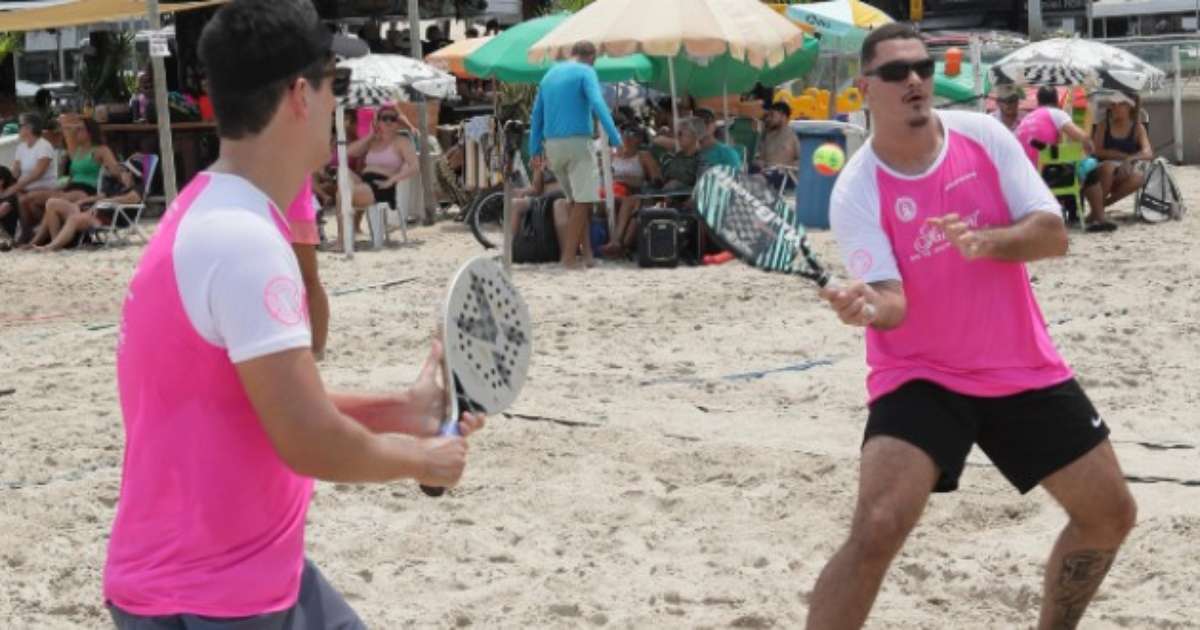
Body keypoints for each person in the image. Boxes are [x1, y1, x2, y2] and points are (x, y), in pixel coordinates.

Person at [103, 2, 484, 628]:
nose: (340, 105)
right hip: (215, 595)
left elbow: (268, 404)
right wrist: (422, 459)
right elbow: (309, 442)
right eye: (337, 86)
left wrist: (408, 411)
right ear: (300, 94)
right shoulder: (245, 243)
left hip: (217, 572)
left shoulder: (210, 211)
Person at [809, 24, 1136, 630]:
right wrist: (865, 307)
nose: (913, 81)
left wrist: (988, 242)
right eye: (895, 72)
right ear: (864, 90)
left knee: (1111, 514)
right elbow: (893, 304)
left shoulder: (983, 136)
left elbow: (1053, 234)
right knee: (878, 528)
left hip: (1019, 366)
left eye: (923, 69)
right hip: (921, 374)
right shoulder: (856, 190)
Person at [529, 41, 621, 269]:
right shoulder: (586, 71)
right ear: (592, 57)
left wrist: (534, 150)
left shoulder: (549, 75)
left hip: (552, 146)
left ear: (572, 54)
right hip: (578, 143)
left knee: (577, 201)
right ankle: (568, 257)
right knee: (583, 201)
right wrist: (614, 137)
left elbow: (536, 115)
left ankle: (587, 255)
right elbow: (598, 103)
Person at [17, 115, 125, 245]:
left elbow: (116, 172)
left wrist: (120, 175)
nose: (76, 132)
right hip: (71, 186)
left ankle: (40, 240)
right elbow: (66, 131)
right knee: (29, 200)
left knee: (45, 199)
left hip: (86, 189)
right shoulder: (78, 151)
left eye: (80, 129)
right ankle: (47, 236)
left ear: (90, 132)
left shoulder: (101, 150)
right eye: (76, 129)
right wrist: (73, 126)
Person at [31, 159, 142, 251]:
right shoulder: (118, 186)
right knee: (52, 203)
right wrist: (82, 201)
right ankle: (56, 242)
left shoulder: (136, 191)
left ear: (131, 174)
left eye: (124, 170)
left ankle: (52, 246)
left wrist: (102, 202)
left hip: (104, 218)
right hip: (92, 212)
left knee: (74, 218)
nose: (121, 173)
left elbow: (125, 199)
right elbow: (100, 196)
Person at [1083, 93, 1153, 233]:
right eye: (1112, 105)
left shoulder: (1137, 128)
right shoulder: (1104, 125)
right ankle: (1098, 211)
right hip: (1103, 172)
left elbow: (1148, 153)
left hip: (1123, 173)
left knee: (1139, 177)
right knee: (1108, 167)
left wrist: (1129, 159)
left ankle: (1100, 208)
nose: (1113, 108)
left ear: (1129, 108)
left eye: (1118, 105)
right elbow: (1096, 151)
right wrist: (1120, 156)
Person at [601, 124, 661, 258]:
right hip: (610, 192)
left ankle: (618, 243)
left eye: (632, 134)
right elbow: (599, 176)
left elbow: (656, 180)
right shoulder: (611, 155)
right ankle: (618, 245)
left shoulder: (644, 156)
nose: (626, 137)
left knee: (632, 202)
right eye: (624, 133)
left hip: (632, 193)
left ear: (639, 139)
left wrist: (633, 181)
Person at [287, 177, 330, 360]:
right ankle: (313, 347)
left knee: (309, 279)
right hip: (277, 207)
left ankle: (317, 348)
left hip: (293, 209)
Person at [0, 113, 58, 241]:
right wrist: (6, 185)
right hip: (25, 188)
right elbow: (14, 173)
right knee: (9, 195)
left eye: (20, 125)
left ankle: (25, 234)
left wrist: (14, 188)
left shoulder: (44, 146)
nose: (18, 128)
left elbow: (37, 174)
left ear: (29, 127)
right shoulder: (21, 148)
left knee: (18, 198)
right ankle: (10, 233)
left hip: (44, 188)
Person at [1015, 85, 1095, 167]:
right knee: (1088, 161)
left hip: (1022, 166)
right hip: (1043, 167)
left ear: (1038, 102)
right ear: (1057, 101)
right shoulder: (1055, 113)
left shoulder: (1027, 117)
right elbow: (1083, 138)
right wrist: (1090, 151)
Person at [754, 101, 801, 189]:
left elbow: (802, 160)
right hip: (766, 172)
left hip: (785, 175)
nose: (769, 119)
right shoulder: (768, 136)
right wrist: (759, 162)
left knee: (759, 180)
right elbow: (761, 157)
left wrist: (785, 167)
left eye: (772, 115)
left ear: (783, 117)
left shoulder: (793, 136)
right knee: (747, 174)